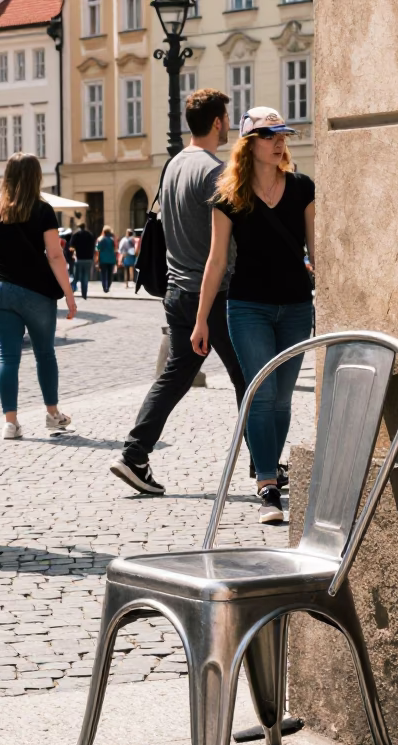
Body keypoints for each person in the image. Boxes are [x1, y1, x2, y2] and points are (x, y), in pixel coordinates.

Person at [110, 89, 248, 496]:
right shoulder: (215, 171)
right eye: (227, 117)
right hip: (215, 293)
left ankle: (134, 454)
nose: (229, 124)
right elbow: (227, 241)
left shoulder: (173, 166)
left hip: (176, 290)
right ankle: (264, 466)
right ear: (219, 121)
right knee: (250, 377)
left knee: (176, 375)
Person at [192, 107, 315, 525]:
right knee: (261, 395)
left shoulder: (302, 188)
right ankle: (267, 486)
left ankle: (270, 467)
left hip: (297, 307)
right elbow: (216, 260)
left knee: (282, 400)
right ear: (248, 144)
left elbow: (318, 253)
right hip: (247, 308)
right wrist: (201, 318)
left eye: (282, 135)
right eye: (269, 136)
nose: (279, 142)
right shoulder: (229, 198)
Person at [0, 153, 78, 439]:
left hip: (0, 291)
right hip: (37, 292)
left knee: (7, 358)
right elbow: (55, 255)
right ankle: (52, 414)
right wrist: (70, 296)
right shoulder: (43, 210)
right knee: (45, 355)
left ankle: (10, 423)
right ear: (36, 177)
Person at [69, 222, 95, 298]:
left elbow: (71, 247)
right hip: (88, 258)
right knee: (85, 276)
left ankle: (71, 290)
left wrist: (73, 254)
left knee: (76, 276)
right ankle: (84, 293)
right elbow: (95, 246)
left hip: (79, 258)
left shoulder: (76, 235)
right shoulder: (90, 235)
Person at [95, 226, 117, 293]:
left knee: (103, 274)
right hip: (111, 259)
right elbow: (115, 249)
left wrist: (97, 259)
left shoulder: (100, 239)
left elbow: (97, 249)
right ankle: (109, 286)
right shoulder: (112, 240)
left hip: (103, 259)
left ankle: (104, 287)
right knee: (110, 274)